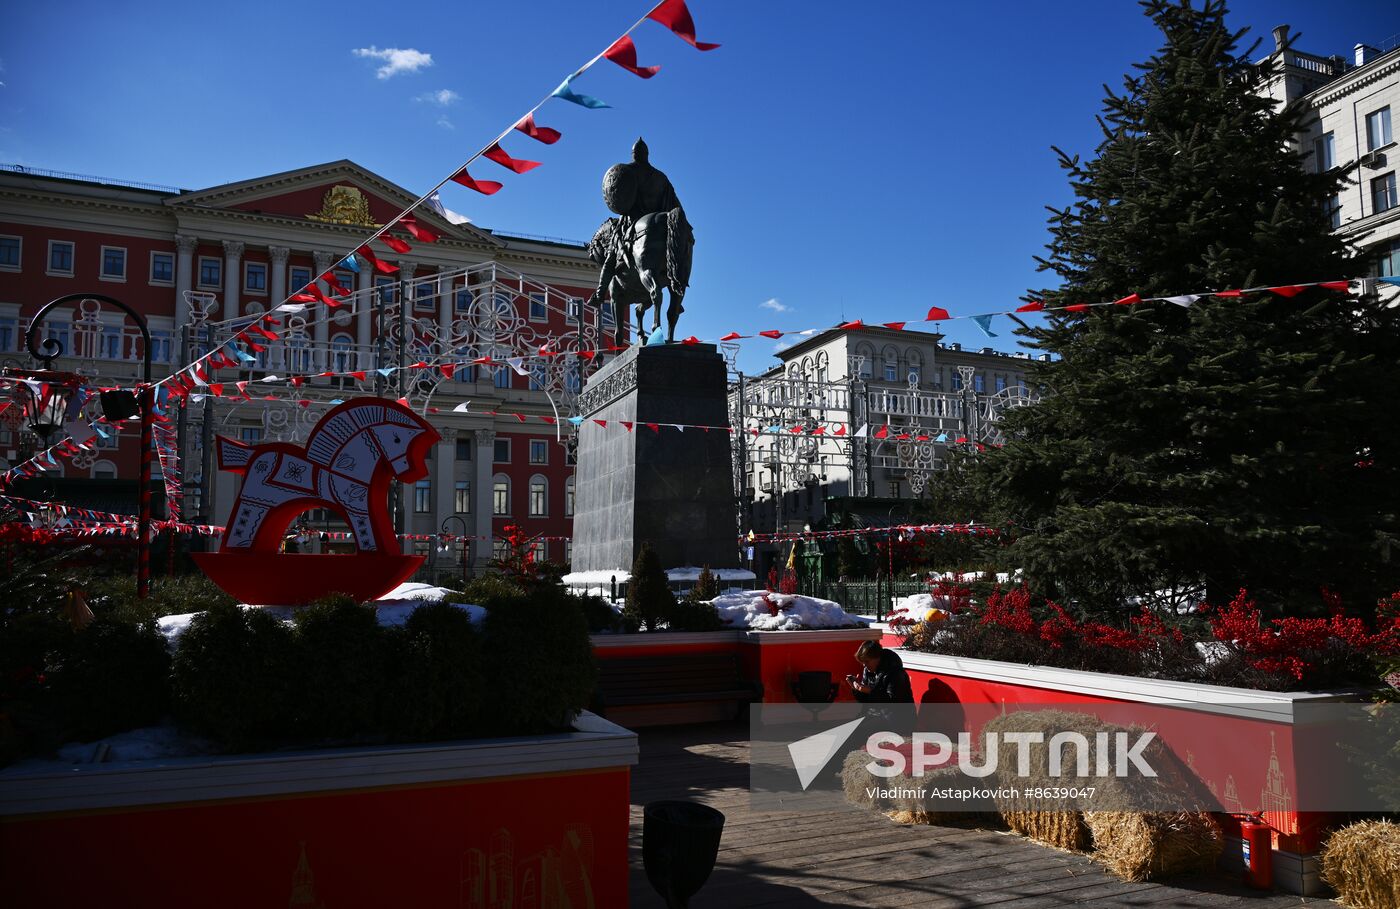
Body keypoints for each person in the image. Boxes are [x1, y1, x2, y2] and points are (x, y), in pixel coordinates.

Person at [846, 640, 913, 704]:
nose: (864, 665)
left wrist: (870, 691)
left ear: (877, 657)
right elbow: (865, 701)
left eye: (867, 661)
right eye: (863, 662)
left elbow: (893, 702)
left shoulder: (895, 672)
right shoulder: (868, 670)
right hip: (876, 714)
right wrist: (856, 689)